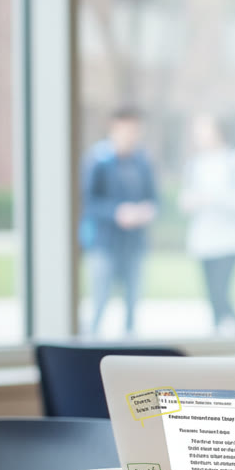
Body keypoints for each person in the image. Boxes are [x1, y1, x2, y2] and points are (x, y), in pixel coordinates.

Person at [179, 114, 235, 335]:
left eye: (203, 129)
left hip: (230, 241)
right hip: (203, 241)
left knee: (221, 292)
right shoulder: (196, 164)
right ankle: (222, 333)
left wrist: (215, 198)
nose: (198, 135)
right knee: (212, 296)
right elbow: (184, 201)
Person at [82, 107, 158, 336]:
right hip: (104, 242)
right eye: (126, 130)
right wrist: (116, 212)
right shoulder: (98, 160)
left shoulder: (142, 161)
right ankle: (92, 342)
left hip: (134, 243)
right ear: (114, 129)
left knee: (132, 302)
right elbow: (87, 201)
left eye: (135, 130)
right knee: (100, 299)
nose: (131, 135)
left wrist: (146, 211)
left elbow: (154, 198)